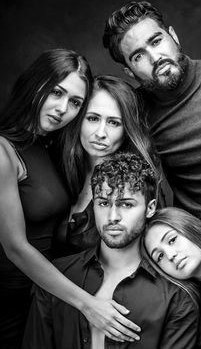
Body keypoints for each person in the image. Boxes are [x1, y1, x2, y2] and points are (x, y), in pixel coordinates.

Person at [0, 50, 138, 348]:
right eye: (56, 93)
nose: (63, 109)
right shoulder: (3, 150)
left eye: (75, 102)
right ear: (34, 85)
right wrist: (87, 303)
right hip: (8, 295)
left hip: (43, 295)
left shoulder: (49, 146)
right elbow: (15, 248)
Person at [22, 152, 199, 349]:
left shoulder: (176, 296)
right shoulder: (57, 277)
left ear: (150, 208)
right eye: (104, 203)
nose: (113, 216)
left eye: (126, 204)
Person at [102, 0, 201, 252]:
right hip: (196, 246)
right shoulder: (135, 113)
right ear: (129, 71)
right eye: (138, 56)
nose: (155, 57)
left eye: (156, 41)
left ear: (173, 36)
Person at [54, 74, 162, 256]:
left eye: (113, 122)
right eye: (93, 118)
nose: (100, 133)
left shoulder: (138, 182)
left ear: (127, 129)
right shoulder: (57, 164)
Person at [144, 207, 201, 348]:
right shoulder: (183, 312)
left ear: (193, 228)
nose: (170, 255)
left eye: (172, 240)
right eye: (160, 256)